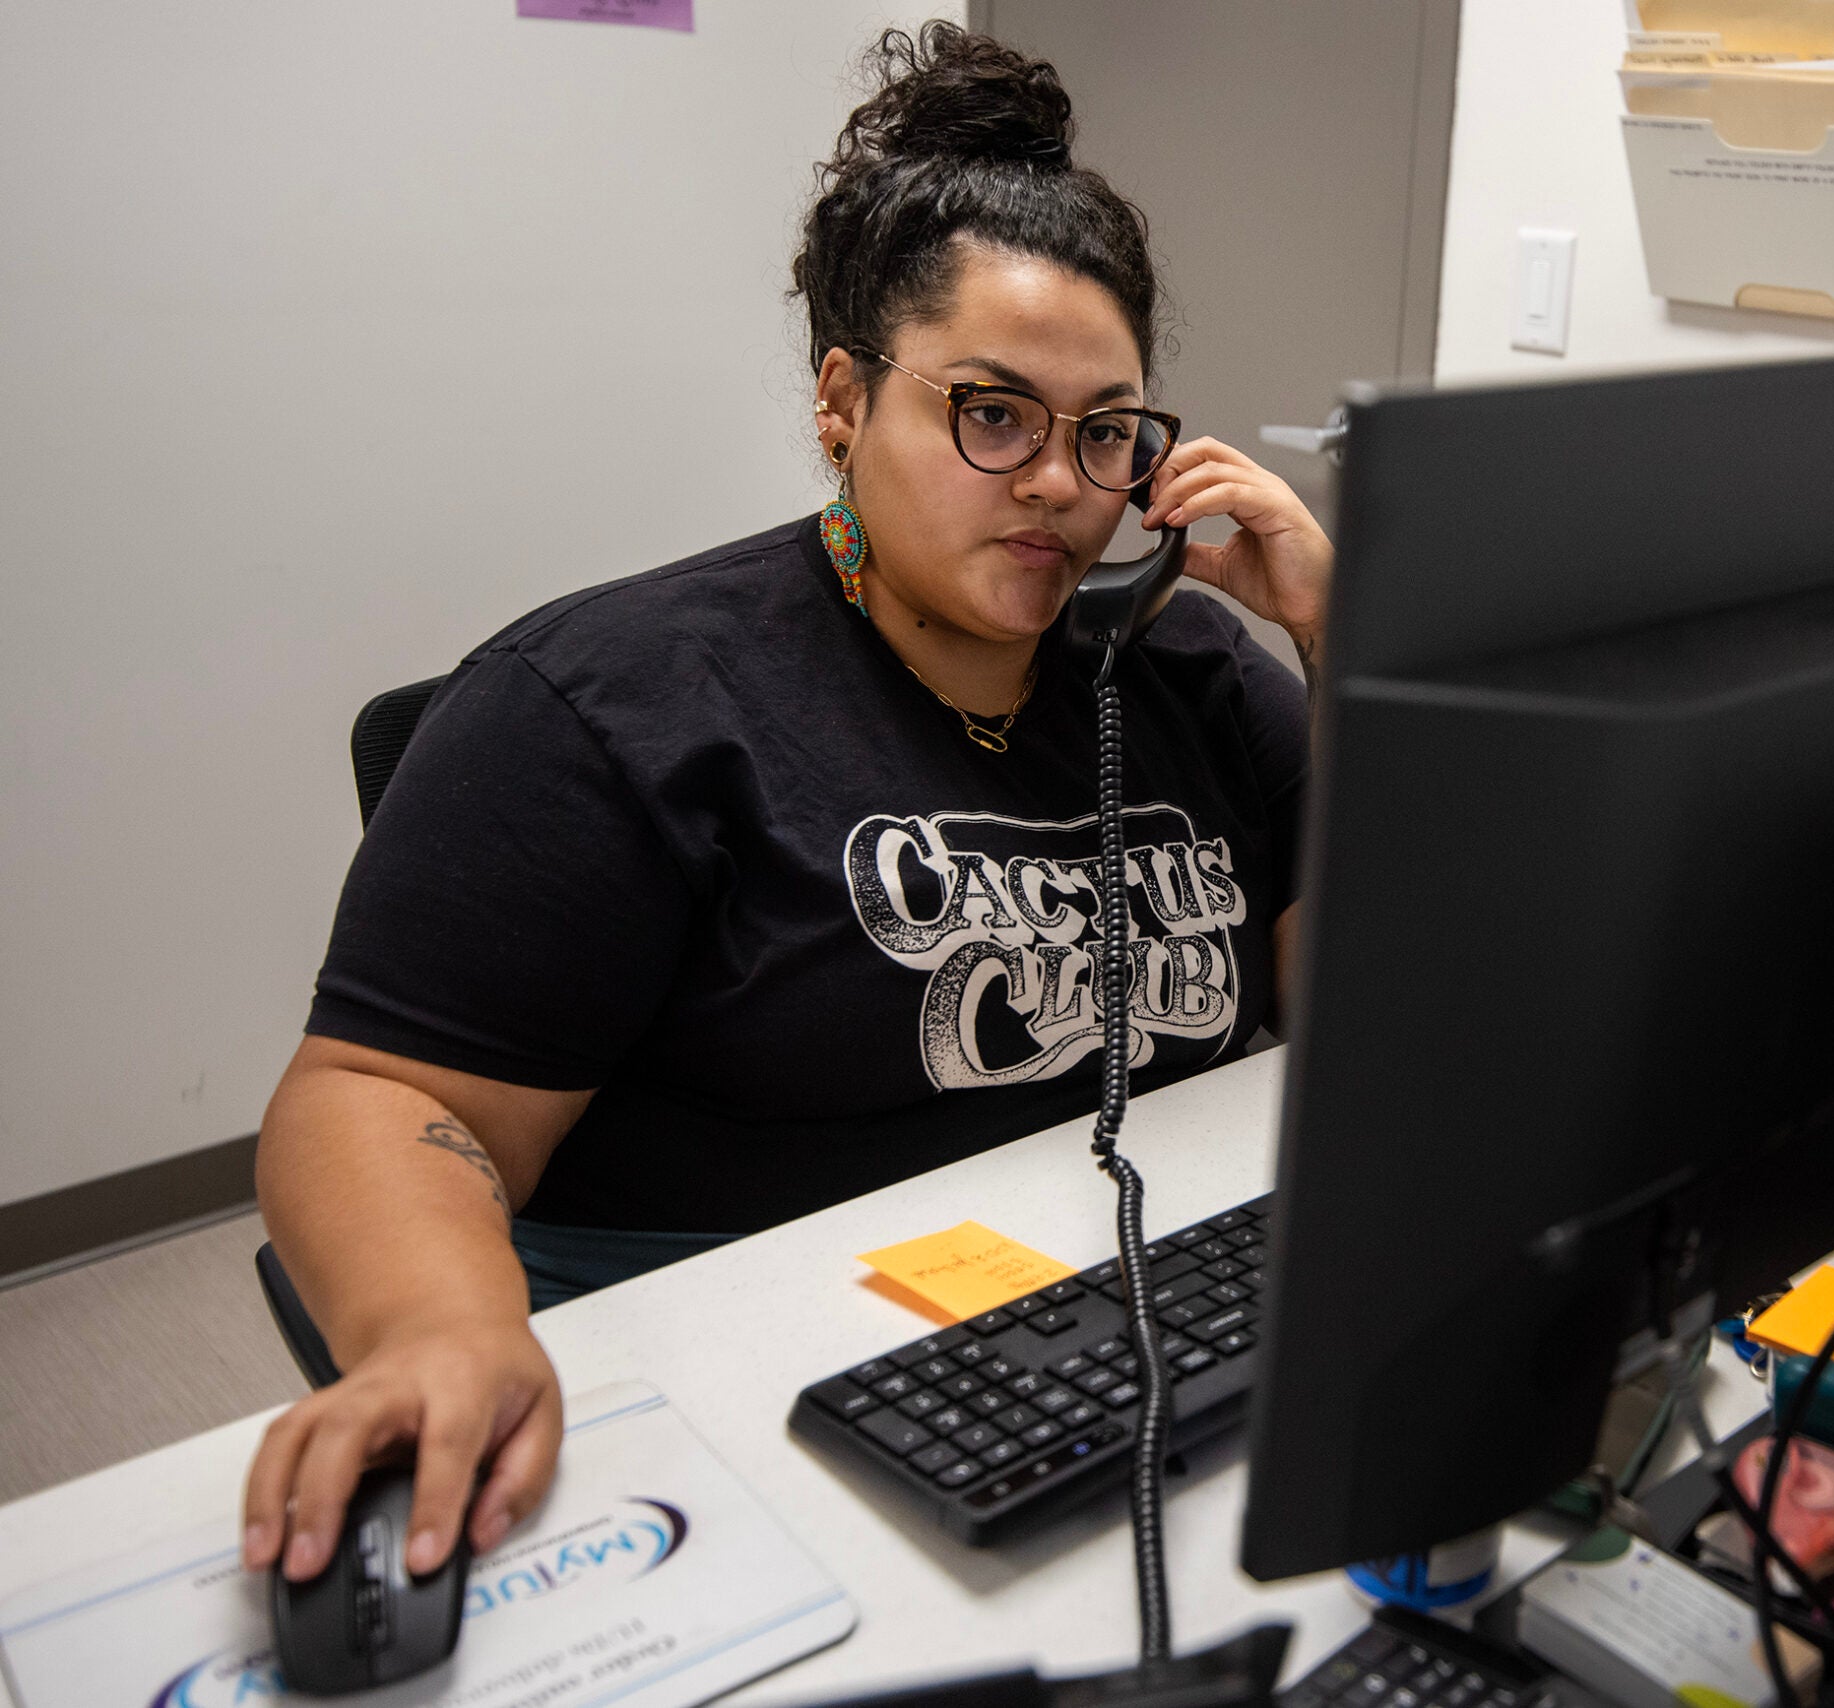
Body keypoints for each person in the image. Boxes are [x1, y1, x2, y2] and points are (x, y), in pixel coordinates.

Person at [239, 23, 1328, 1597]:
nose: (1056, 483)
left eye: (1106, 432)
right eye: (993, 413)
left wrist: (1343, 641)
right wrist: (436, 1332)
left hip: (1127, 1339)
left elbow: (1356, 1010)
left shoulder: (1190, 668)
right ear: (842, 401)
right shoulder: (612, 702)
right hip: (768, 1379)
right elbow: (379, 1099)